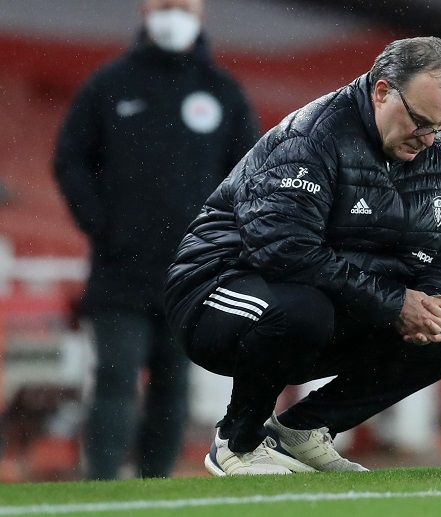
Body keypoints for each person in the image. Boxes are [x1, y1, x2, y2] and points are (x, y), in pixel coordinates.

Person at [165, 36, 441, 476]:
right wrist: (394, 302)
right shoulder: (311, 138)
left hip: (315, 304)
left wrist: (435, 303)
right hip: (214, 291)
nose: (428, 139)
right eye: (420, 121)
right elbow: (284, 252)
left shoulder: (432, 160)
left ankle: (303, 431)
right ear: (382, 92)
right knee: (303, 310)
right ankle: (236, 442)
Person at [53, 0, 261, 480]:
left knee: (174, 385)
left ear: (201, 12)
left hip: (192, 273)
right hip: (119, 270)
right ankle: (101, 489)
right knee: (114, 376)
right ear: (145, 9)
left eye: (182, 5)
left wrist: (219, 242)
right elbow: (70, 160)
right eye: (164, 5)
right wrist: (103, 227)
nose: (173, 15)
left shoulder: (222, 91)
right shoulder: (109, 85)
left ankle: (155, 489)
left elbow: (251, 173)